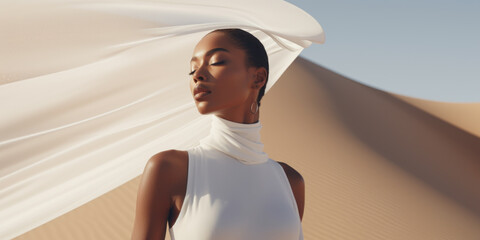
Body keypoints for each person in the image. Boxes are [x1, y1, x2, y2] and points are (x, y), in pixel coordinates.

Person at [131, 28, 305, 240]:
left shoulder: (290, 181)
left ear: (258, 78)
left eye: (216, 62)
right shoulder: (169, 169)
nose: (197, 75)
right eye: (192, 69)